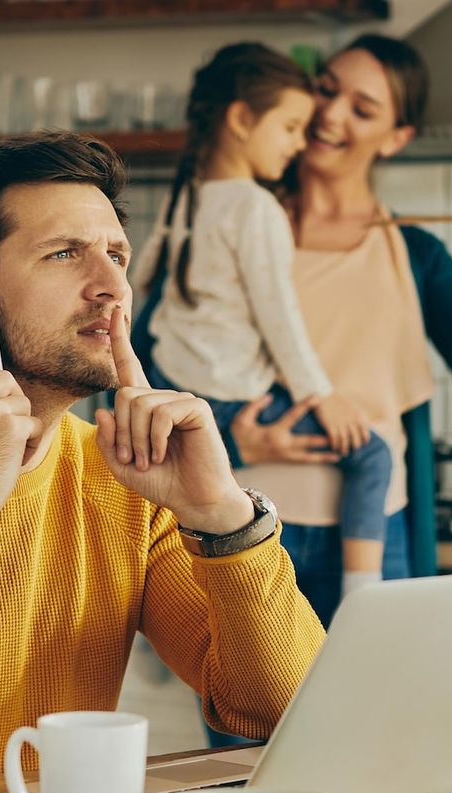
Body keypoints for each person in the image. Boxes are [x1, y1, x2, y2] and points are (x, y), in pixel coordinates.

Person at [0, 131, 323, 789]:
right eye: (64, 254)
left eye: (116, 254)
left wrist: (223, 517)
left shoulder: (120, 477)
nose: (112, 288)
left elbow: (284, 708)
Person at [201, 34, 452, 626]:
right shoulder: (228, 228)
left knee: (377, 718)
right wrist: (233, 443)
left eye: (363, 108)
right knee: (246, 718)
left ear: (396, 138)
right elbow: (137, 375)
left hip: (379, 539)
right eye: (325, 90)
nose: (329, 114)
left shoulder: (415, 253)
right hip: (238, 531)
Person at [134, 43, 394, 602]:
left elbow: (136, 287)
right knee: (374, 455)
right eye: (292, 127)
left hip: (185, 396)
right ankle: (363, 597)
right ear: (241, 119)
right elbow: (280, 317)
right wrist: (320, 394)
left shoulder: (185, 198)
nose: (300, 144)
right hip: (232, 398)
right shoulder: (255, 209)